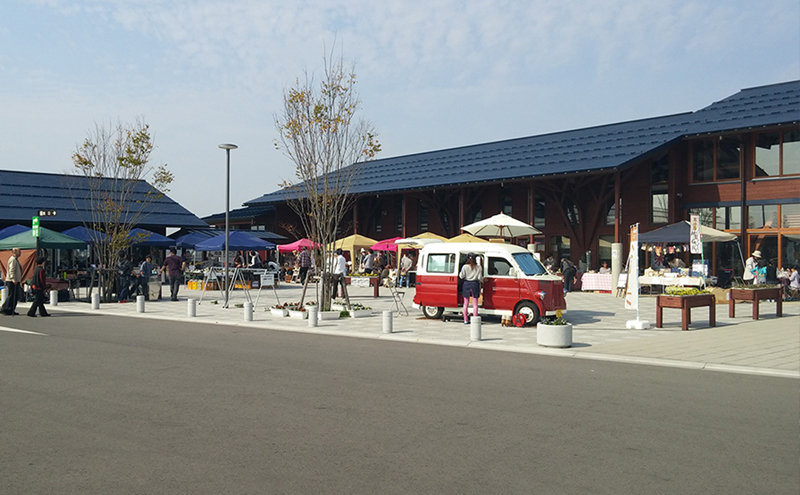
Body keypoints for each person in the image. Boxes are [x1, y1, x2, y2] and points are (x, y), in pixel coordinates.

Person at [459, 253, 484, 325]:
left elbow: (461, 276)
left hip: (466, 284)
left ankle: (465, 320)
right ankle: (475, 319)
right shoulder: (478, 267)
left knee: (465, 303)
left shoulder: (464, 267)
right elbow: (479, 278)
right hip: (475, 284)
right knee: (475, 303)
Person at [1, 247, 22, 316]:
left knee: (14, 295)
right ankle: (6, 308)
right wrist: (13, 278)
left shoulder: (15, 260)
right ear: (15, 252)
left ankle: (11, 309)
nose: (20, 253)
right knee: (12, 295)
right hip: (12, 280)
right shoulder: (12, 260)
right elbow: (11, 270)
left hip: (15, 280)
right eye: (19, 251)